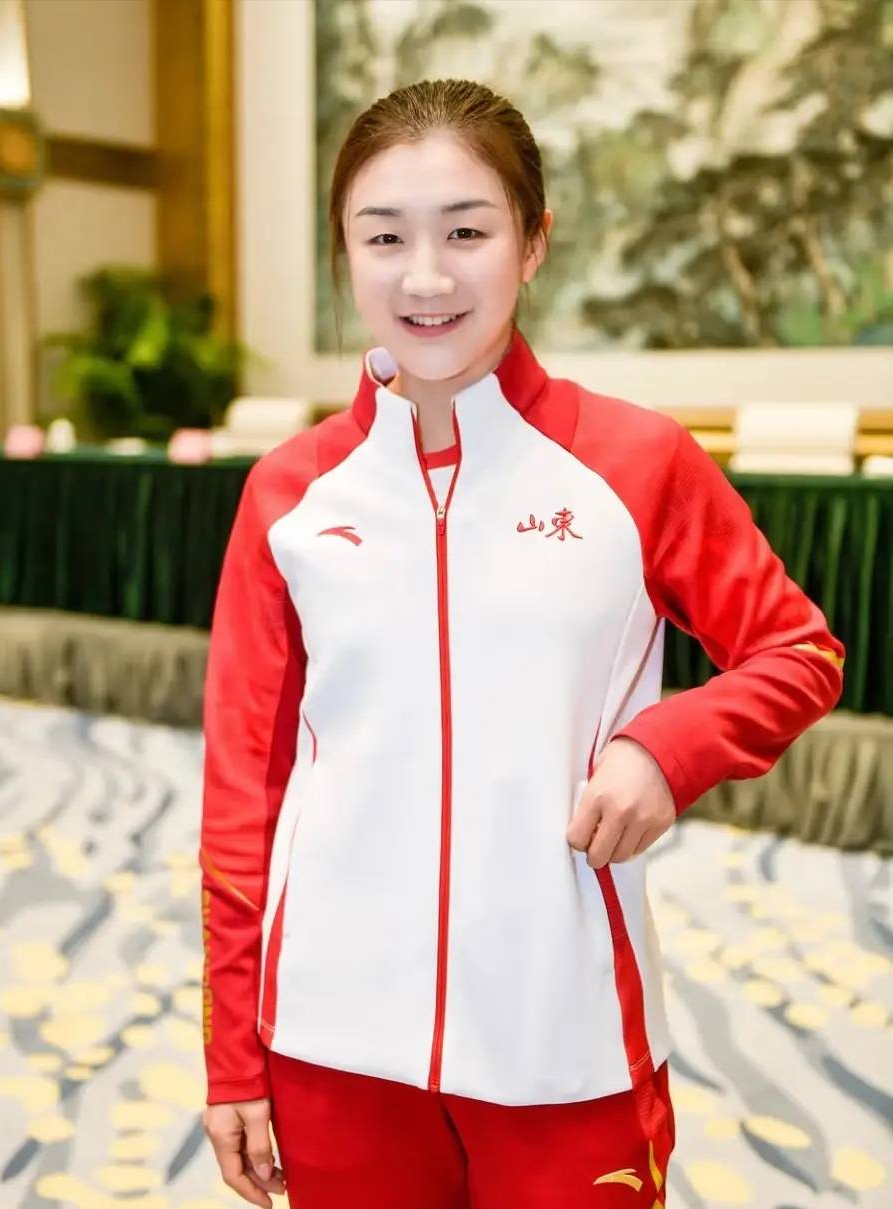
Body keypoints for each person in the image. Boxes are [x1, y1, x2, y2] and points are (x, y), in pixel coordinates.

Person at [198, 79, 845, 1208]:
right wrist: (233, 1057)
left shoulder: (636, 463)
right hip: (330, 1042)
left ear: (534, 242)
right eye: (383, 237)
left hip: (565, 1039)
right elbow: (242, 795)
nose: (425, 277)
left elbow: (797, 651)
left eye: (467, 232)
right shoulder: (290, 497)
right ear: (344, 252)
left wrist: (665, 749)